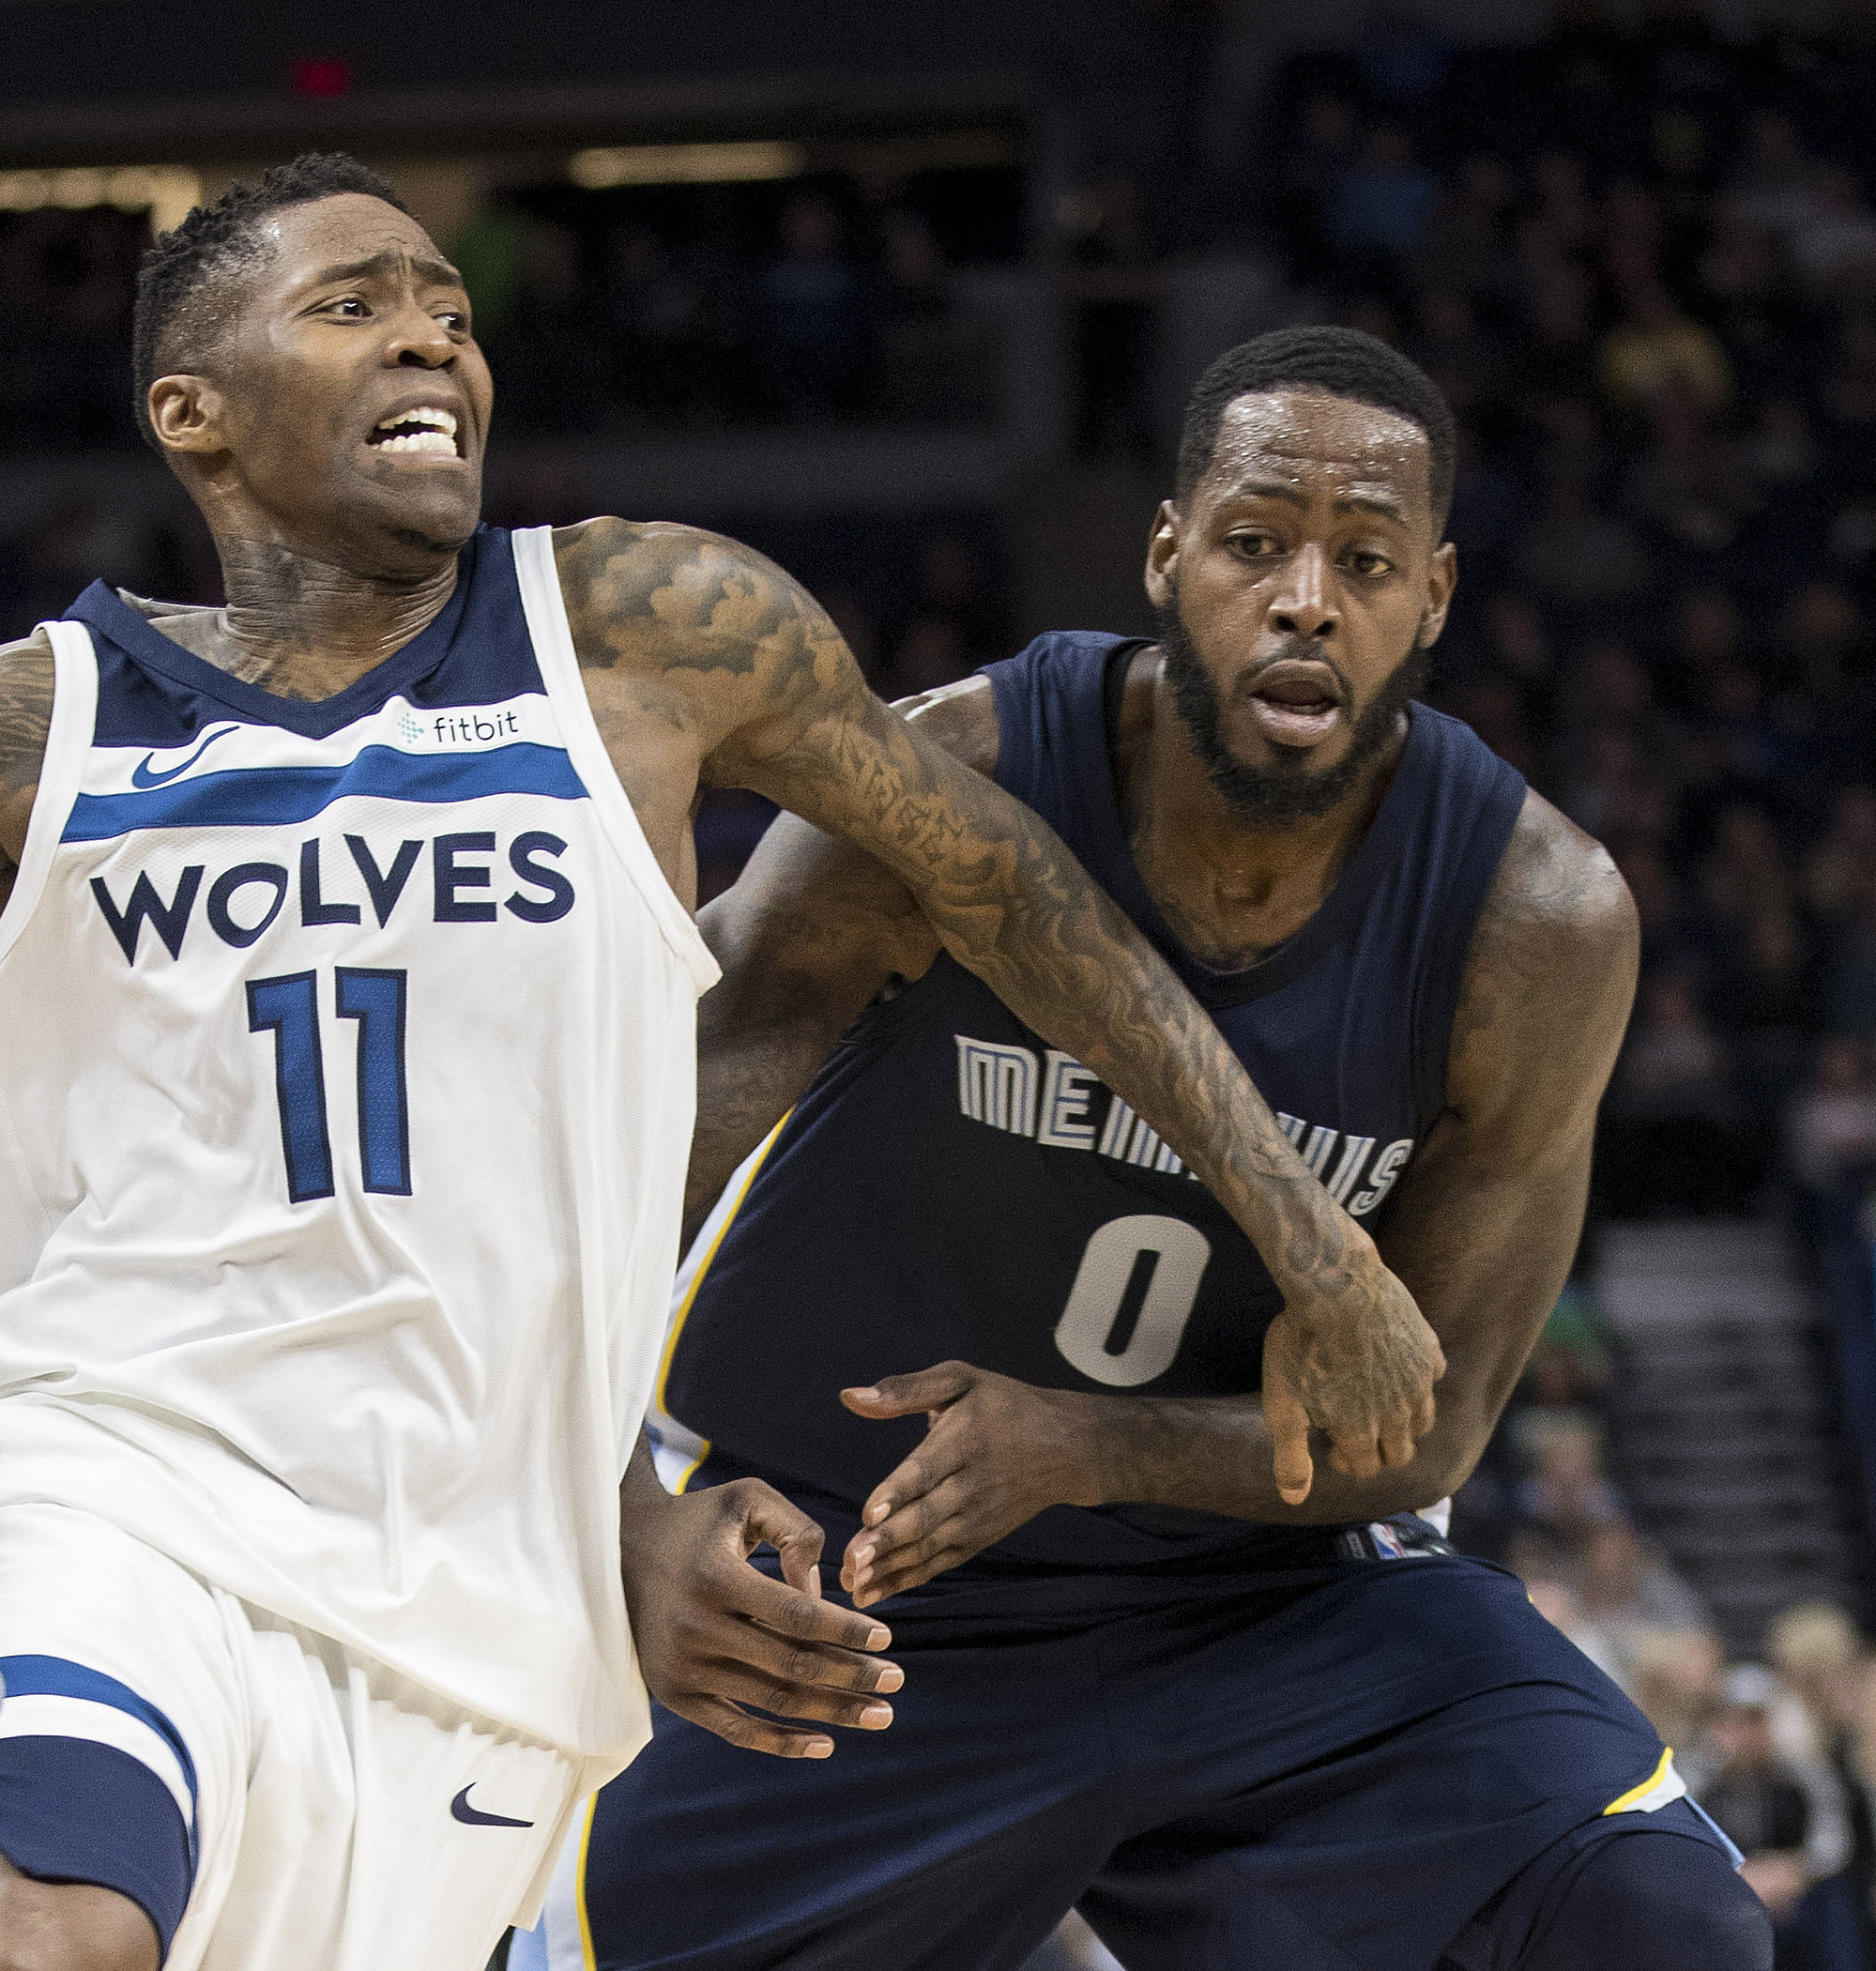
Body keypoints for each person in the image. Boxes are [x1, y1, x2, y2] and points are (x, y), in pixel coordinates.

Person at [0, 160, 1434, 1971]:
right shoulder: (10, 730)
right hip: (120, 1507)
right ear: (193, 409)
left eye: (451, 308)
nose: (436, 342)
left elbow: (1018, 897)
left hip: (488, 1636)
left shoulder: (652, 634)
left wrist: (1312, 1245)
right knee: (55, 1897)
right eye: (356, 303)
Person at [549, 328, 1768, 1971]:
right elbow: (610, 1180)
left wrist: (1089, 1446)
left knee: (1651, 1914)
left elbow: (1433, 1428)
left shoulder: (1531, 925)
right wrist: (624, 1517)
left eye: (1366, 559)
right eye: (1257, 543)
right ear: (1166, 553)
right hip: (846, 1582)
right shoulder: (952, 784)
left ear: (1437, 596)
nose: (1306, 599)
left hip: (1270, 1605)